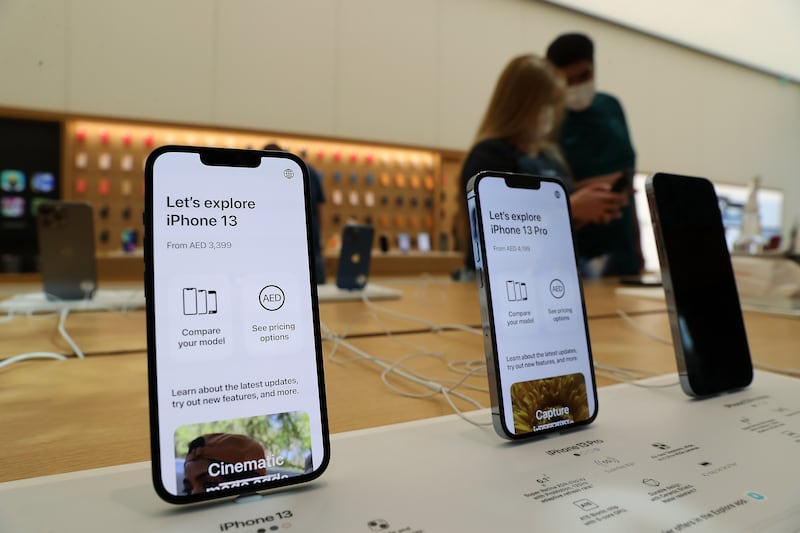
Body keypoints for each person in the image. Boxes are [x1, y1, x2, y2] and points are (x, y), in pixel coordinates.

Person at [456, 54, 626, 278]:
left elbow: (556, 231)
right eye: (545, 103)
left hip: (551, 278)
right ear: (520, 103)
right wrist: (568, 209)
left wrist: (589, 210)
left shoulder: (551, 157)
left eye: (554, 102)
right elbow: (496, 237)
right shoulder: (489, 156)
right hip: (501, 281)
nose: (551, 111)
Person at [546, 33, 642, 276]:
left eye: (584, 76)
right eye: (568, 80)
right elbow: (548, 195)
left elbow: (628, 178)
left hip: (622, 251)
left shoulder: (611, 107)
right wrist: (589, 195)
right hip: (575, 256)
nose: (577, 86)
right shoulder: (549, 121)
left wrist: (638, 249)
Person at [264, 143, 327, 283]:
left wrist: (320, 234)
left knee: (316, 282)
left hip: (309, 237)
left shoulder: (306, 171)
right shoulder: (265, 177)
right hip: (284, 242)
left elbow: (319, 206)